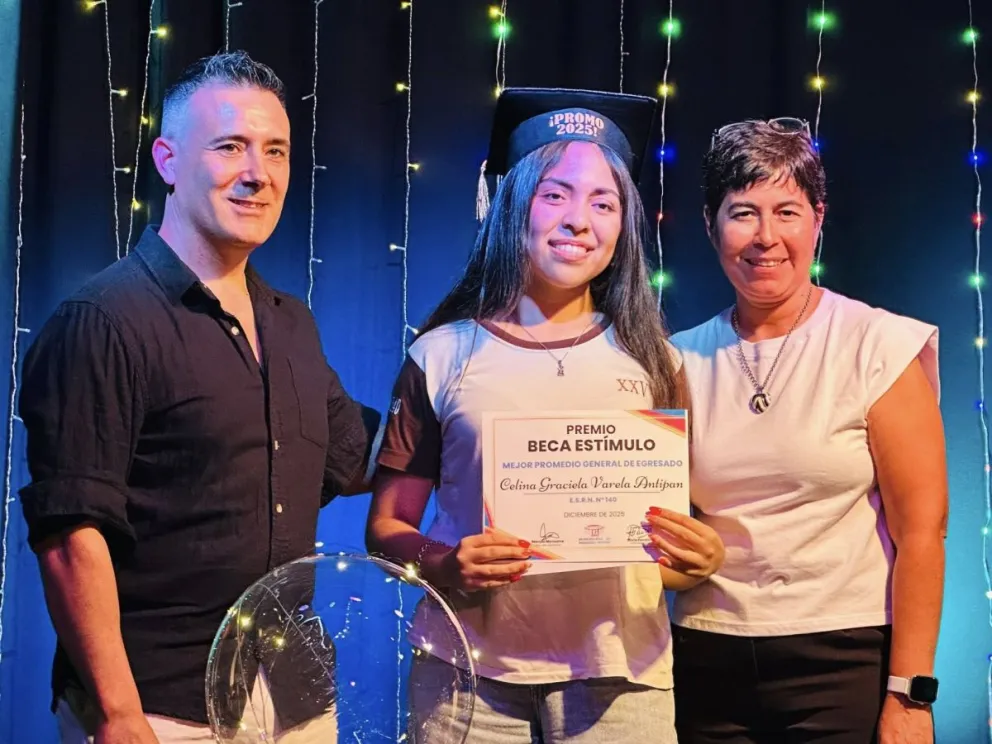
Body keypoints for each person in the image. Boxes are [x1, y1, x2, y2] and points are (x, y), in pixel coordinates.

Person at [18, 51, 380, 743]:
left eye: (275, 151)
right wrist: (119, 713)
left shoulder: (290, 322)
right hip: (160, 709)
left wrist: (477, 410)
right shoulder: (104, 321)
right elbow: (71, 536)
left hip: (293, 702)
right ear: (167, 159)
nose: (257, 172)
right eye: (230, 147)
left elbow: (355, 458)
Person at [365, 87, 726, 743]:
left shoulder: (656, 362)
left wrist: (698, 559)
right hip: (464, 680)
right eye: (554, 194)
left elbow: (671, 542)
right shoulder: (441, 355)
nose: (578, 220)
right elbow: (386, 526)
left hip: (621, 677)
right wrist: (444, 563)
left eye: (603, 202)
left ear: (623, 229)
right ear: (511, 204)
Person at [669, 117, 947, 743]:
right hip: (704, 658)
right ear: (710, 224)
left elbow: (923, 534)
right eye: (742, 212)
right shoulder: (675, 360)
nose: (765, 237)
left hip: (843, 661)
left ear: (818, 220)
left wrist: (911, 696)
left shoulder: (878, 343)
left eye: (787, 212)